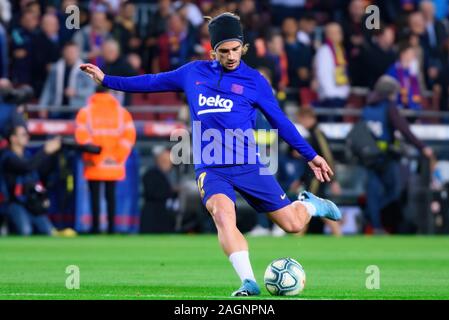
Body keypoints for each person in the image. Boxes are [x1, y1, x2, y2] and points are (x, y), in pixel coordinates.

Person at [80, 12, 341, 296]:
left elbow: (281, 122)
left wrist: (311, 156)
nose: (230, 56)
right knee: (222, 215)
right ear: (213, 51)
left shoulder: (255, 81)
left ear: (244, 47)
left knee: (292, 224)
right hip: (211, 168)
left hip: (248, 164)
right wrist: (107, 80)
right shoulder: (193, 73)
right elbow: (151, 81)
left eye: (235, 49)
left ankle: (311, 205)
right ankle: (249, 282)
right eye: (224, 51)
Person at [361, 75, 434, 234]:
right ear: (389, 92)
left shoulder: (367, 107)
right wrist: (422, 147)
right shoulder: (388, 106)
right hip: (386, 155)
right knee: (394, 190)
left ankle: (375, 224)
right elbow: (404, 129)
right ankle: (370, 217)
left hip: (368, 156)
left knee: (373, 192)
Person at [75, 87, 136, 234]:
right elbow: (129, 137)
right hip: (113, 163)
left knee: (94, 197)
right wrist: (116, 156)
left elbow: (82, 138)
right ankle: (111, 229)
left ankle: (95, 228)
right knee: (111, 196)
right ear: (110, 93)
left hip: (93, 162)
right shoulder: (122, 113)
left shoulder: (85, 112)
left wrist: (95, 157)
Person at [1, 124, 61, 235]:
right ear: (13, 138)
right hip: (14, 203)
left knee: (48, 231)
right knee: (25, 230)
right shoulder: (7, 157)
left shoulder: (27, 155)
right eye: (23, 134)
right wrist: (45, 151)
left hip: (31, 202)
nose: (27, 137)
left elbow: (41, 173)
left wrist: (53, 154)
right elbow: (27, 166)